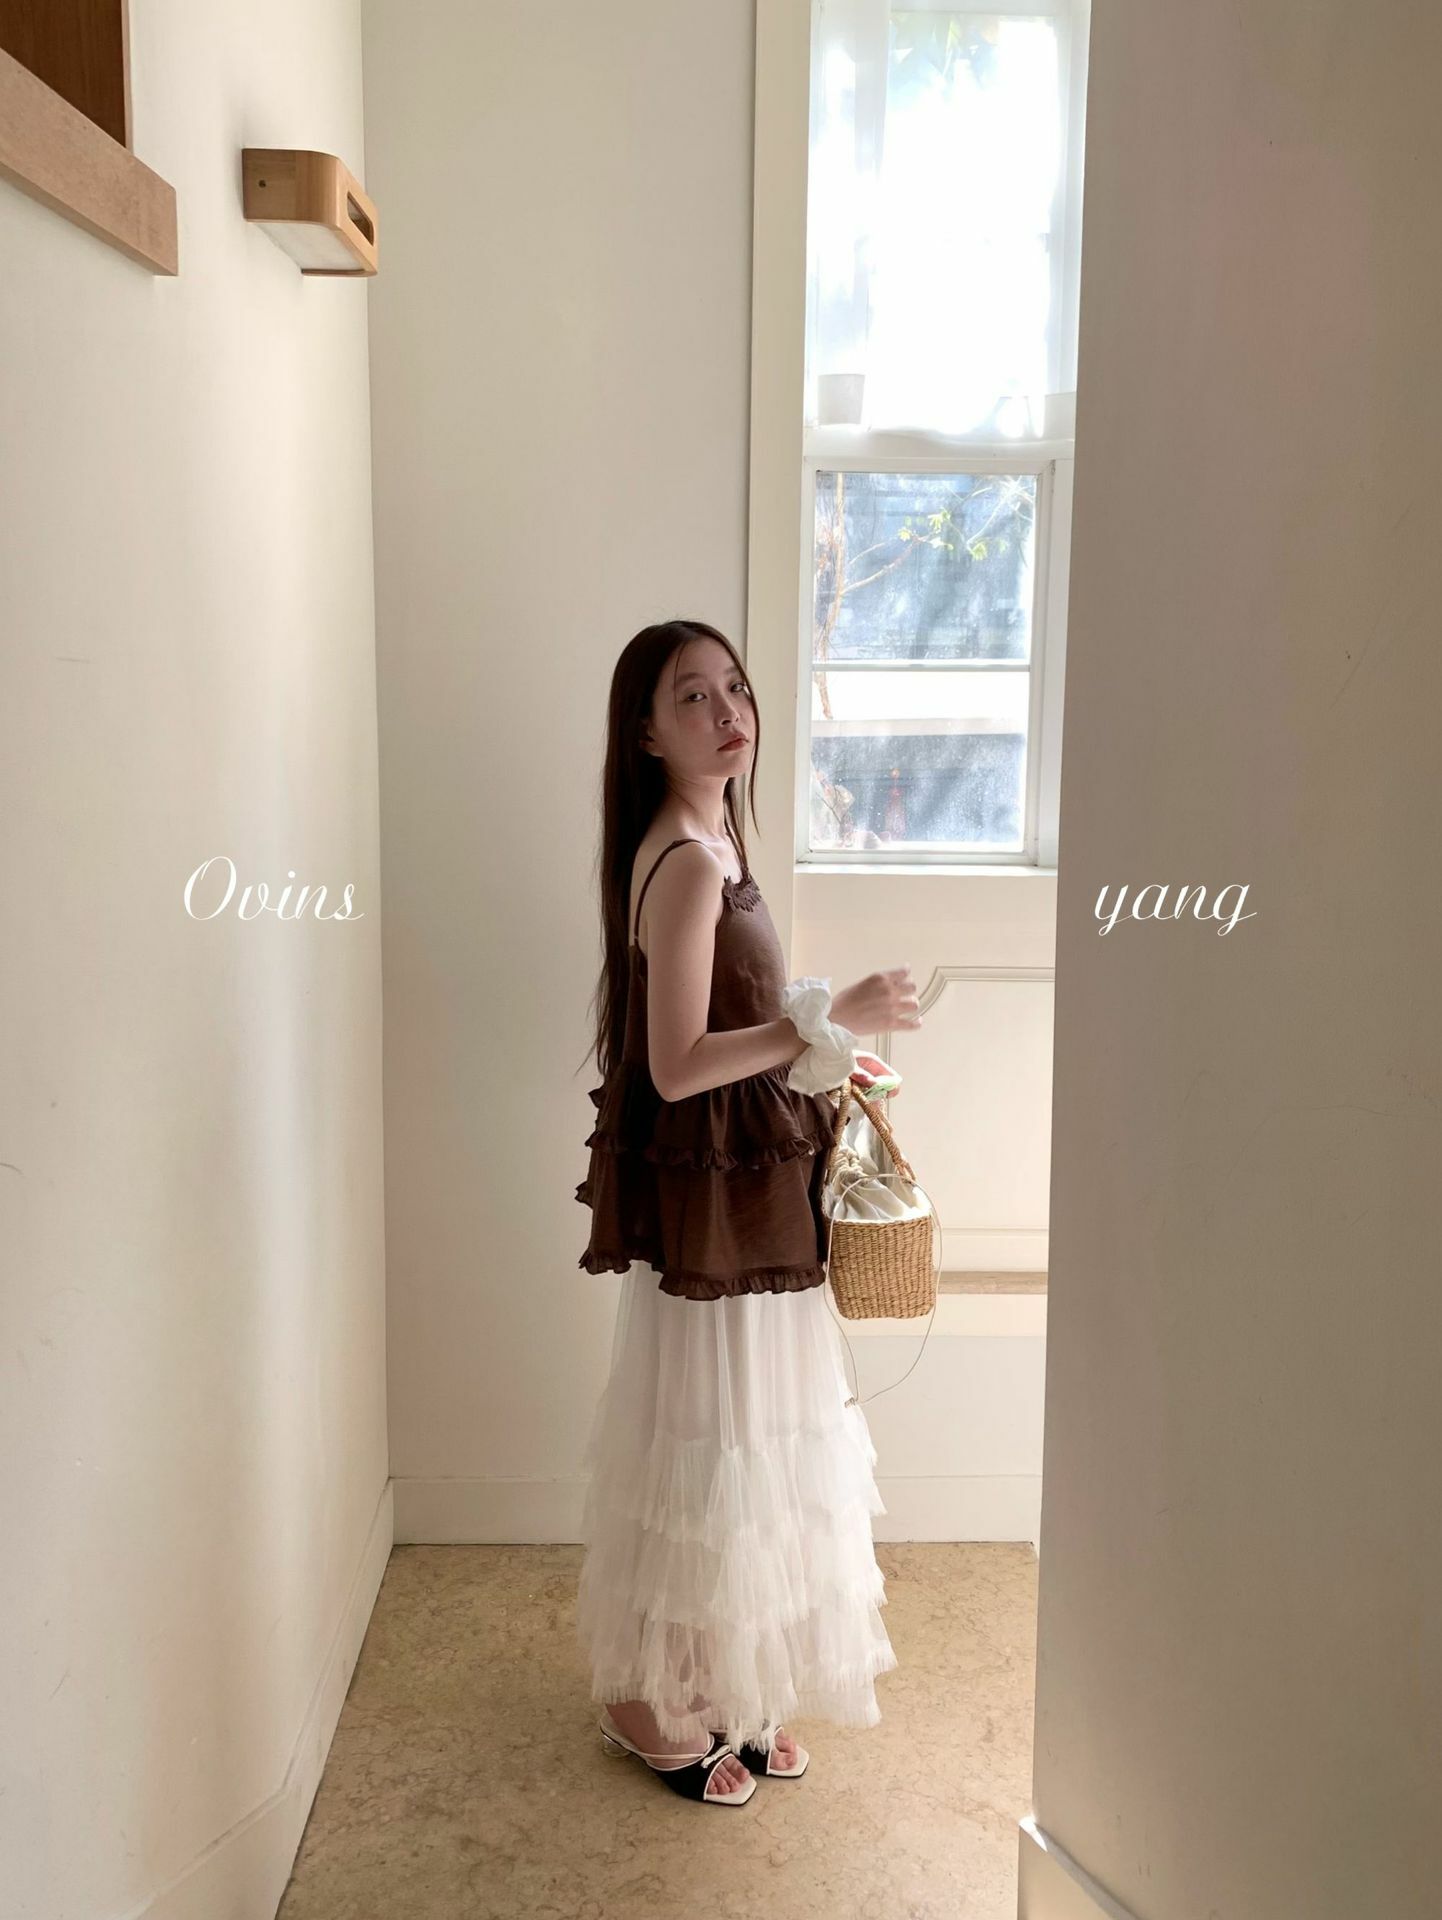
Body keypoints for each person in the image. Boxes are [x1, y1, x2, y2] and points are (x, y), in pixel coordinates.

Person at [572, 617, 922, 1807]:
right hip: (713, 1203)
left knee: (752, 1429)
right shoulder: (683, 860)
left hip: (744, 1187)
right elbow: (675, 1066)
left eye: (734, 688)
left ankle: (723, 1680)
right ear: (644, 732)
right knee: (713, 1430)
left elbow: (733, 1027)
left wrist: (823, 1053)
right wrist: (830, 1017)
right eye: (692, 697)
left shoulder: (716, 834)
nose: (728, 714)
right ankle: (652, 1696)